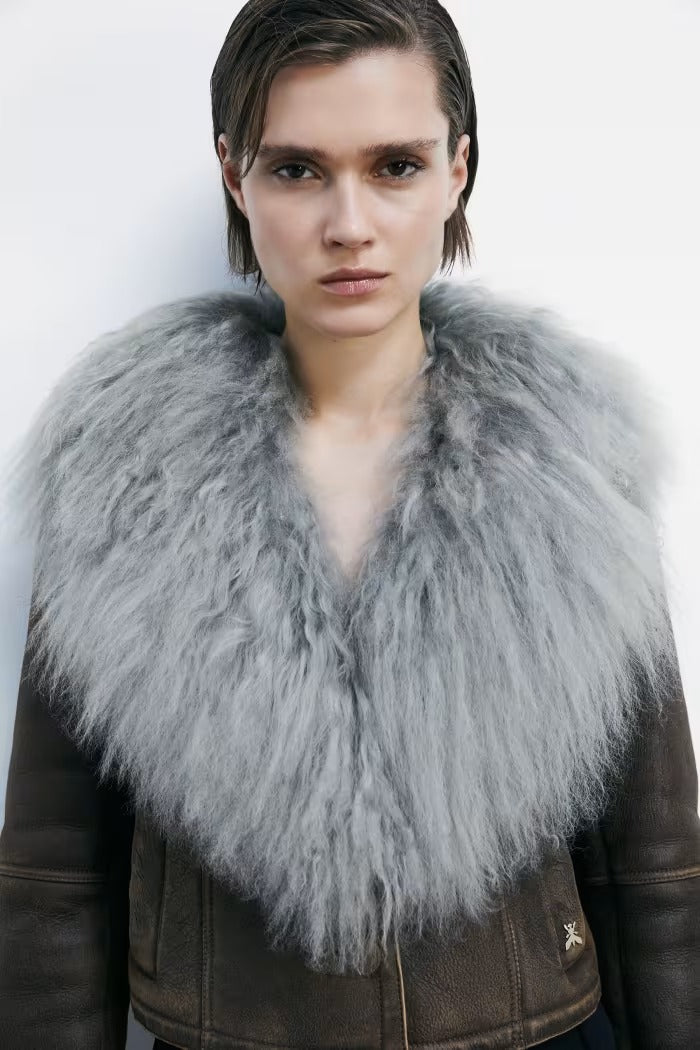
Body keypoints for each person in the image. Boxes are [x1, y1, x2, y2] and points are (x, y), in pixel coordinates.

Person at [1, 1, 698, 1048]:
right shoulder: (124, 468)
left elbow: (654, 857)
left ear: (457, 170)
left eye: (395, 166)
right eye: (297, 169)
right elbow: (56, 871)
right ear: (233, 174)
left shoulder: (571, 454)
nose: (349, 225)